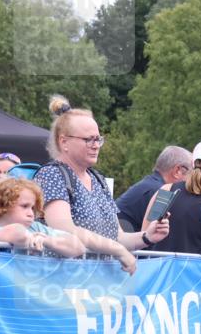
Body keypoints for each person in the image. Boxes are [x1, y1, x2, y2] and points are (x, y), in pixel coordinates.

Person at [35, 95, 169, 268]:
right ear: (64, 142)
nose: (96, 145)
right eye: (88, 139)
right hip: (61, 282)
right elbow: (64, 230)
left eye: (98, 139)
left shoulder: (97, 179)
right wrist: (117, 250)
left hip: (97, 284)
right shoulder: (51, 175)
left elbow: (117, 237)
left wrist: (146, 236)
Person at [0, 177, 84, 258]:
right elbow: (18, 234)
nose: (31, 213)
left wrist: (45, 240)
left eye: (32, 208)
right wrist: (32, 238)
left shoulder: (35, 228)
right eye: (24, 206)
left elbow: (79, 247)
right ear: (3, 205)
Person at [115, 146, 191, 232]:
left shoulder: (149, 185)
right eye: (192, 173)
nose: (192, 179)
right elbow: (155, 236)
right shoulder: (160, 193)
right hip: (121, 243)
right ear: (177, 171)